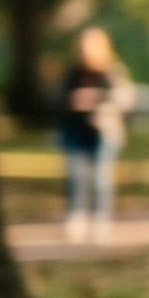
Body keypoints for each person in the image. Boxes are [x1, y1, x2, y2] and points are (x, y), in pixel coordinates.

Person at [57, 26, 130, 244]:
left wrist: (97, 100)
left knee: (100, 175)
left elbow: (123, 99)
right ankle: (76, 216)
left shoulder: (111, 71)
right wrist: (72, 101)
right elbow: (56, 98)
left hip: (103, 130)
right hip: (75, 128)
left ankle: (101, 218)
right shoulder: (71, 74)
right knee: (75, 173)